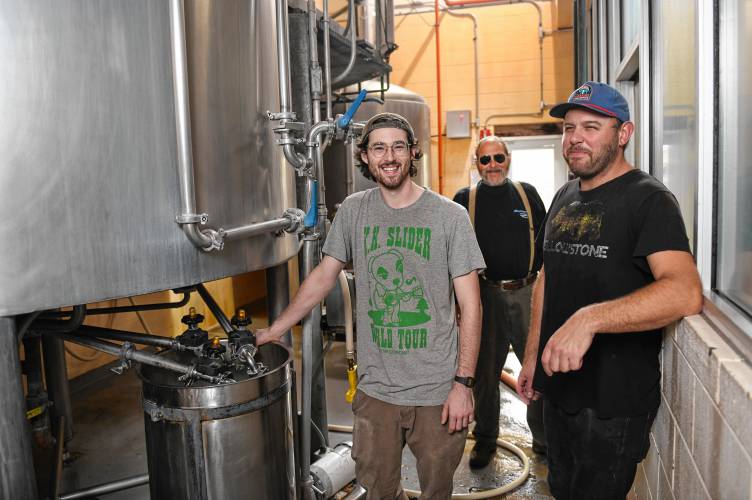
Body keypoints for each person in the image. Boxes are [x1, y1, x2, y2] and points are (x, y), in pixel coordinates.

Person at [257, 112, 486, 499]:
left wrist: (463, 384)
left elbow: (472, 306)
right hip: (376, 389)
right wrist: (276, 329)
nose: (389, 156)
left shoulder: (450, 217)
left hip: (437, 391)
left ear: (413, 152)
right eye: (378, 147)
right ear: (364, 157)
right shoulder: (353, 211)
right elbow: (323, 277)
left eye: (398, 146)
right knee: (378, 489)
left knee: (436, 491)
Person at [515, 82, 703, 499]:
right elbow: (549, 276)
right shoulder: (564, 196)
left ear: (624, 134)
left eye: (591, 127)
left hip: (613, 403)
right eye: (569, 128)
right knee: (561, 488)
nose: (576, 138)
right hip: (559, 390)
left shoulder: (649, 200)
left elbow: (684, 291)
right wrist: (532, 354)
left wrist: (590, 318)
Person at [452, 136, 547, 468]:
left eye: (498, 158)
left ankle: (545, 441)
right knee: (484, 373)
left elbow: (546, 241)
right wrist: (459, 306)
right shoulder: (465, 199)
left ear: (508, 159)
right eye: (484, 159)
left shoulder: (527, 193)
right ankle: (486, 441)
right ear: (476, 164)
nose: (492, 165)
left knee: (536, 369)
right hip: (484, 296)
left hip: (527, 293)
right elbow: (452, 251)